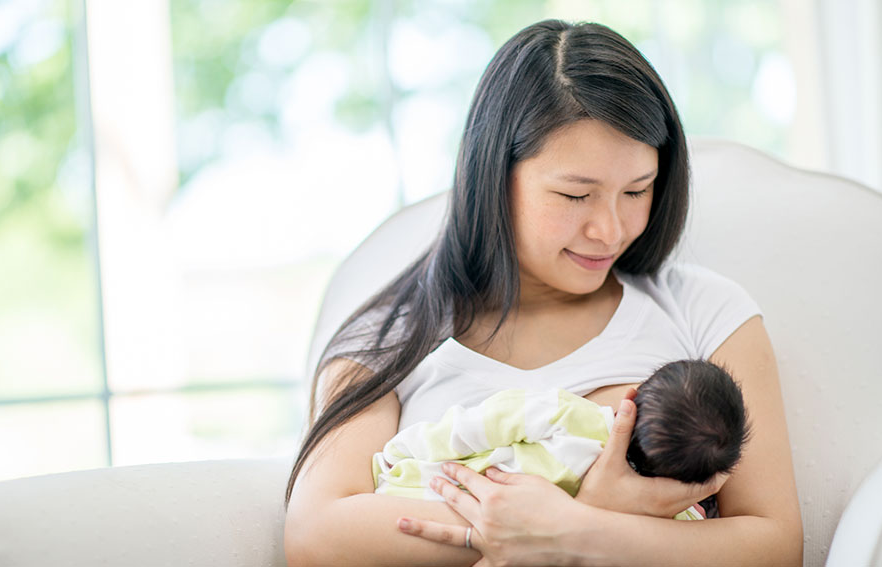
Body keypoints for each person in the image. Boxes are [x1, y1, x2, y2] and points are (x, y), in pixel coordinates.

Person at [284, 18, 802, 566]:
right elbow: (317, 537)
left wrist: (580, 531)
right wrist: (586, 511)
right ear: (493, 176)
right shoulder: (388, 341)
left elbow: (773, 545)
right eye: (575, 195)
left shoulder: (706, 313)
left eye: (636, 190)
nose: (609, 229)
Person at [373, 359, 750, 523]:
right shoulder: (668, 511)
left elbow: (482, 422)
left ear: (630, 398)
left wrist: (408, 449)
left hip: (425, 485)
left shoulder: (569, 415)